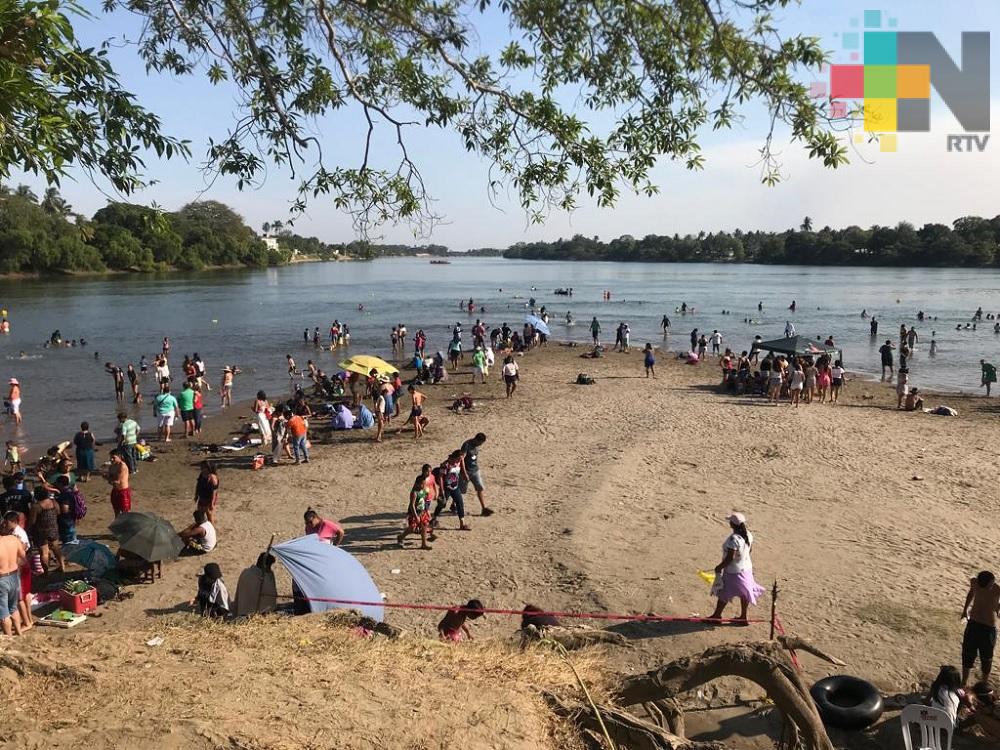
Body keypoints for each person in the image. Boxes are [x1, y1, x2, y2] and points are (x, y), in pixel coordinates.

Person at [708, 512, 764, 624]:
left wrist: (719, 567)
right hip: (747, 569)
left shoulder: (733, 539)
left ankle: (717, 616)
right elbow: (750, 550)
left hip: (734, 571)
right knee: (745, 593)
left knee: (724, 593)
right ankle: (743, 617)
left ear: (732, 524)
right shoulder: (748, 534)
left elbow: (730, 558)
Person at [961, 570, 1000, 685]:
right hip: (973, 624)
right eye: (990, 584)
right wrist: (965, 610)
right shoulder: (975, 583)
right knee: (967, 654)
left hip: (988, 628)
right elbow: (971, 593)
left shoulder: (997, 589)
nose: (992, 585)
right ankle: (964, 682)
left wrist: (998, 607)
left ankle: (984, 683)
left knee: (986, 658)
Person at [2, 511, 32, 632]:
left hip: (18, 570)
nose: (5, 524)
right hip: (17, 570)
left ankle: (27, 622)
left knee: (19, 599)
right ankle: (27, 622)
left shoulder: (18, 534)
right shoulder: (14, 535)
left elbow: (21, 555)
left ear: (13, 522)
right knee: (20, 599)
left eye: (6, 522)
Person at [397, 465, 436, 550]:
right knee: (412, 528)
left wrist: (426, 511)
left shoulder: (424, 491)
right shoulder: (414, 493)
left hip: (422, 511)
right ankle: (401, 537)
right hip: (414, 513)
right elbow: (412, 505)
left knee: (424, 527)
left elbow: (424, 501)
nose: (423, 485)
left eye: (424, 484)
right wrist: (416, 516)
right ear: (417, 484)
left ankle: (423, 544)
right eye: (422, 484)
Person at [28, 485, 64, 572]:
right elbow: (58, 512)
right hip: (53, 529)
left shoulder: (36, 506)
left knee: (44, 552)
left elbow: (32, 521)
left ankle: (46, 571)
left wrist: (29, 530)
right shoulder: (54, 502)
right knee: (56, 548)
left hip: (41, 531)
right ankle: (62, 566)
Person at [433, 450, 470, 531]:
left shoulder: (459, 462)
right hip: (446, 487)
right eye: (459, 459)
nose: (460, 460)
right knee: (442, 504)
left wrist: (465, 475)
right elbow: (440, 477)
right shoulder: (446, 465)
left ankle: (462, 524)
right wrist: (442, 490)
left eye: (461, 459)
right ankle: (434, 519)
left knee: (460, 503)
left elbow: (462, 468)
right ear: (455, 457)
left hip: (455, 486)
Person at [460, 433, 492, 516]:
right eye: (480, 443)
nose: (480, 445)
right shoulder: (466, 445)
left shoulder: (476, 446)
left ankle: (484, 508)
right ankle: (454, 506)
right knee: (461, 491)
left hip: (475, 471)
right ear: (476, 440)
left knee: (480, 488)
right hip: (466, 471)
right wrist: (464, 472)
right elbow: (461, 459)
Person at [0, 529, 25, 636]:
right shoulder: (14, 539)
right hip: (14, 576)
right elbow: (23, 556)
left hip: (2, 579)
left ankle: (9, 639)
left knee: (3, 614)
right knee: (13, 608)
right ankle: (19, 633)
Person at [107, 449, 131, 517]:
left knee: (125, 512)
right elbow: (111, 479)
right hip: (115, 491)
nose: (111, 459)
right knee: (116, 511)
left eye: (113, 457)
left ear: (119, 457)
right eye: (111, 457)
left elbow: (117, 481)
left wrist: (108, 478)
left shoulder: (122, 466)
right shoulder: (112, 466)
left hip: (123, 492)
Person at [116, 411, 140, 475]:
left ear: (122, 418)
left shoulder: (124, 425)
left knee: (129, 457)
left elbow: (123, 435)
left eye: (119, 419)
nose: (119, 421)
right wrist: (135, 436)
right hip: (134, 441)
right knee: (133, 455)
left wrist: (121, 442)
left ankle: (131, 470)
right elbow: (138, 429)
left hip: (128, 442)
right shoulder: (133, 422)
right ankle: (135, 468)